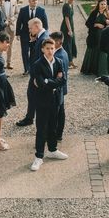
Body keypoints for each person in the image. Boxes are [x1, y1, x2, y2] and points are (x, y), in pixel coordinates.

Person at [29, 38, 67, 171]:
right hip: (42, 101)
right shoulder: (37, 64)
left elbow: (63, 80)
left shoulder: (60, 62)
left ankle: (52, 150)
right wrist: (53, 81)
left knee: (53, 126)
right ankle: (39, 157)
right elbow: (40, 83)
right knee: (41, 129)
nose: (50, 51)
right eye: (47, 49)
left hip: (55, 100)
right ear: (42, 49)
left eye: (52, 48)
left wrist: (48, 81)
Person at [16, 17, 48, 127]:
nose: (29, 30)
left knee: (33, 95)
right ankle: (30, 117)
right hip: (35, 73)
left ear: (37, 26)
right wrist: (32, 42)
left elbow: (42, 59)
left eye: (30, 28)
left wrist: (36, 77)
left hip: (38, 74)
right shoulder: (39, 37)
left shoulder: (44, 39)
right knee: (31, 95)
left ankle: (31, 118)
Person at [15, 0, 49, 75]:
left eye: (36, 0)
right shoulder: (23, 10)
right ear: (29, 1)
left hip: (37, 36)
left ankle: (32, 68)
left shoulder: (41, 10)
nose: (35, 2)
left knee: (34, 52)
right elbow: (19, 22)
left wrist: (45, 34)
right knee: (25, 52)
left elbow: (45, 24)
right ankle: (26, 69)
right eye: (33, 1)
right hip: (25, 35)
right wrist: (18, 34)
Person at [80, 0, 109, 76]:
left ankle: (100, 71)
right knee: (93, 50)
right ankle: (90, 69)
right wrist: (96, 24)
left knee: (102, 52)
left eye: (104, 4)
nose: (103, 6)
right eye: (101, 4)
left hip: (103, 35)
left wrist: (108, 23)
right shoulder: (94, 13)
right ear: (98, 4)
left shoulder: (108, 13)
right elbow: (87, 23)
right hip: (94, 35)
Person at [50, 31, 69, 142]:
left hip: (57, 89)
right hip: (61, 88)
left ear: (58, 42)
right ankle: (58, 134)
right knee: (60, 111)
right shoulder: (63, 52)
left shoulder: (59, 56)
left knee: (57, 113)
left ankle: (56, 134)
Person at [0, 0, 18, 70]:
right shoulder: (0, 1)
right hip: (2, 26)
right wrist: (4, 21)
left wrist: (11, 20)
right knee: (0, 45)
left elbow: (17, 13)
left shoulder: (14, 1)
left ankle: (9, 63)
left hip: (11, 26)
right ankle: (0, 63)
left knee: (10, 45)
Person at [60, 0, 77, 68]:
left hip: (71, 25)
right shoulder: (66, 6)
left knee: (71, 43)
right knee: (67, 44)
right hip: (66, 27)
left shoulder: (71, 5)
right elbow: (66, 18)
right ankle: (67, 61)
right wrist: (69, 30)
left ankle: (70, 61)